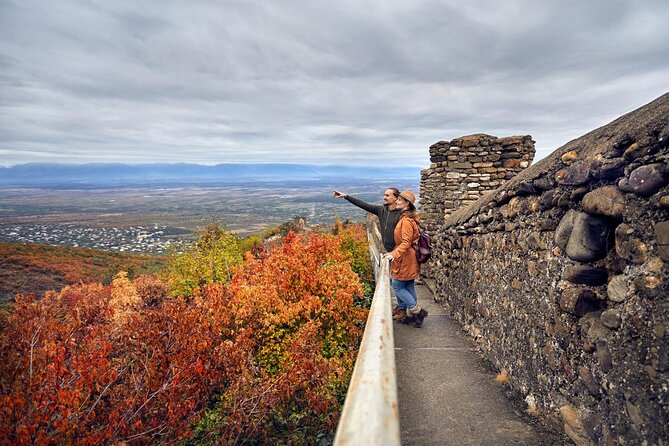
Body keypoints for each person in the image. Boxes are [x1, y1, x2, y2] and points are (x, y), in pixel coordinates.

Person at [382, 190, 428, 327]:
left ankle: (418, 312)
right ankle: (412, 316)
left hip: (406, 257)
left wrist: (393, 254)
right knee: (407, 284)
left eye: (400, 200)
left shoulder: (406, 221)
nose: (396, 201)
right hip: (409, 256)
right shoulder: (407, 218)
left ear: (407, 203)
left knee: (396, 285)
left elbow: (406, 242)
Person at [332, 188, 402, 253]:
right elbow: (363, 205)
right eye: (384, 195)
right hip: (387, 251)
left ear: (396, 198)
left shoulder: (402, 214)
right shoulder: (381, 210)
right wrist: (346, 196)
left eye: (387, 195)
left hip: (399, 253)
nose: (384, 198)